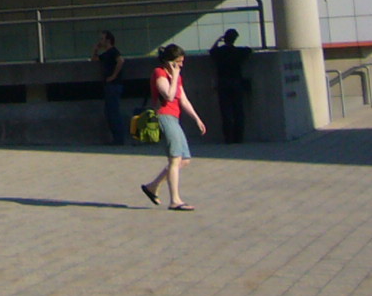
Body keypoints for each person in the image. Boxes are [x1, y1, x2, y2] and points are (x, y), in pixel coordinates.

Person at [140, 44, 205, 210]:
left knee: (184, 159)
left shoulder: (177, 77)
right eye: (178, 62)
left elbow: (183, 99)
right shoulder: (159, 73)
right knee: (175, 159)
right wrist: (174, 76)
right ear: (169, 61)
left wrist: (196, 118)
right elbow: (169, 96)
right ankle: (175, 200)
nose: (181, 65)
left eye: (182, 62)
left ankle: (152, 186)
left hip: (174, 118)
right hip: (164, 116)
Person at [208, 28, 252, 144]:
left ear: (225, 38)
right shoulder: (239, 52)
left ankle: (228, 137)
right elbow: (249, 50)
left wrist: (218, 41)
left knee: (226, 112)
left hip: (223, 83)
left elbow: (212, 51)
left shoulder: (220, 52)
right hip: (236, 82)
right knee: (238, 111)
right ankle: (239, 137)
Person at [93, 31, 127, 145]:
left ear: (108, 40)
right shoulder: (106, 54)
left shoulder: (113, 51)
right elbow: (94, 60)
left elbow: (120, 61)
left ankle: (119, 139)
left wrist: (113, 76)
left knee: (113, 112)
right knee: (109, 111)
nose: (100, 41)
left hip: (114, 85)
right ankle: (116, 138)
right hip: (109, 85)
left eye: (102, 39)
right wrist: (96, 50)